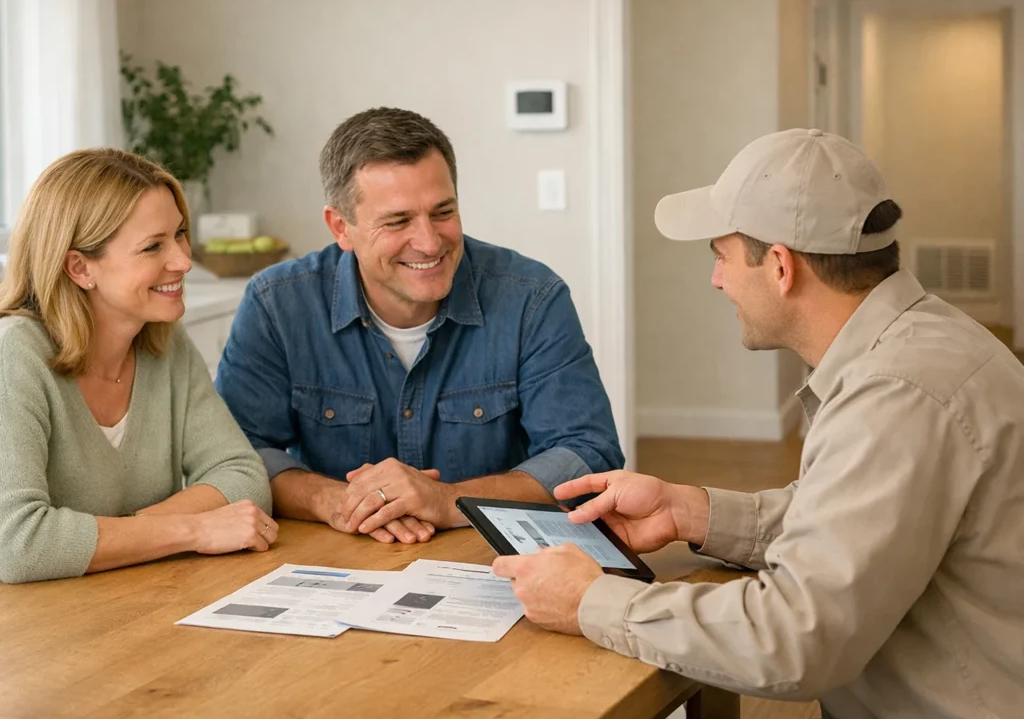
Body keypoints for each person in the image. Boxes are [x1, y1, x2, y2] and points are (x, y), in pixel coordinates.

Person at [492, 129, 1024, 717]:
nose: (717, 280)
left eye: (720, 257)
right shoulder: (922, 343)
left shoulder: (896, 395)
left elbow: (793, 641)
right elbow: (856, 524)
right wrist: (690, 511)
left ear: (779, 266)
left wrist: (591, 601)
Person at [217, 107, 623, 545]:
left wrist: (448, 500)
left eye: (443, 212)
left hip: (491, 560)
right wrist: (336, 501)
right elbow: (235, 458)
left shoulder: (532, 297)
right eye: (397, 221)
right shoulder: (277, 304)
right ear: (341, 227)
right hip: (331, 561)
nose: (430, 242)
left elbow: (588, 455)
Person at [0, 149, 276, 584]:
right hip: (34, 636)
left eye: (179, 234)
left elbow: (243, 478)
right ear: (79, 267)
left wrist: (130, 532)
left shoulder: (163, 340)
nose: (184, 261)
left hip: (134, 608)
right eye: (153, 246)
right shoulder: (13, 356)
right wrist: (192, 528)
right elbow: (17, 544)